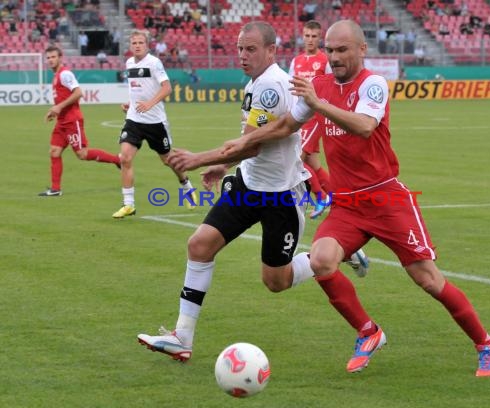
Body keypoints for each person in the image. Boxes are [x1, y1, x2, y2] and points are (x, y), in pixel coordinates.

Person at [220, 20, 490, 377]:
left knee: (427, 279)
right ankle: (368, 332)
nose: (334, 57)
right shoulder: (319, 85)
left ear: (361, 49)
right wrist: (233, 150)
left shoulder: (373, 84)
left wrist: (318, 104)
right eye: (330, 50)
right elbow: (286, 126)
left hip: (385, 199)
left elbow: (364, 126)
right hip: (348, 204)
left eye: (342, 50)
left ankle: (485, 343)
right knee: (321, 260)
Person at [136, 21, 369, 362]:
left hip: (280, 196)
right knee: (200, 245)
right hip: (248, 185)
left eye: (251, 49)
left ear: (271, 50)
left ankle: (336, 255)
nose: (243, 56)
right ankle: (182, 337)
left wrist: (200, 159)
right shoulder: (257, 82)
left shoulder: (272, 86)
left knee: (276, 281)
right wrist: (224, 166)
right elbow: (251, 142)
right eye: (240, 48)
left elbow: (251, 146)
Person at [112, 29, 198, 218]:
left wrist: (149, 104)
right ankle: (129, 204)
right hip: (134, 119)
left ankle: (186, 185)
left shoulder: (154, 62)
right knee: (125, 157)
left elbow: (167, 88)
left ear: (147, 45)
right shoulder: (129, 63)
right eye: (134, 43)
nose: (137, 46)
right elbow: (136, 88)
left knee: (168, 160)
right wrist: (131, 103)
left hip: (155, 122)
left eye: (140, 43)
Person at [39, 45, 120, 197]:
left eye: (53, 57)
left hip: (72, 120)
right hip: (62, 121)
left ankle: (117, 160)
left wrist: (59, 107)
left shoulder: (65, 74)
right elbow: (63, 98)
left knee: (82, 154)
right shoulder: (56, 76)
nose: (50, 60)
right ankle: (55, 189)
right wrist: (55, 111)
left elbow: (78, 93)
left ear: (60, 57)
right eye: (48, 58)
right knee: (54, 152)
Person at [289, 20, 333, 220]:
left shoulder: (325, 61)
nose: (310, 39)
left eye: (314, 36)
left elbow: (332, 87)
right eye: (307, 35)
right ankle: (341, 198)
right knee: (313, 162)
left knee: (297, 159)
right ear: (302, 36)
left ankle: (321, 196)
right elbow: (290, 86)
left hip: (315, 116)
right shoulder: (296, 61)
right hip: (300, 117)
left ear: (320, 38)